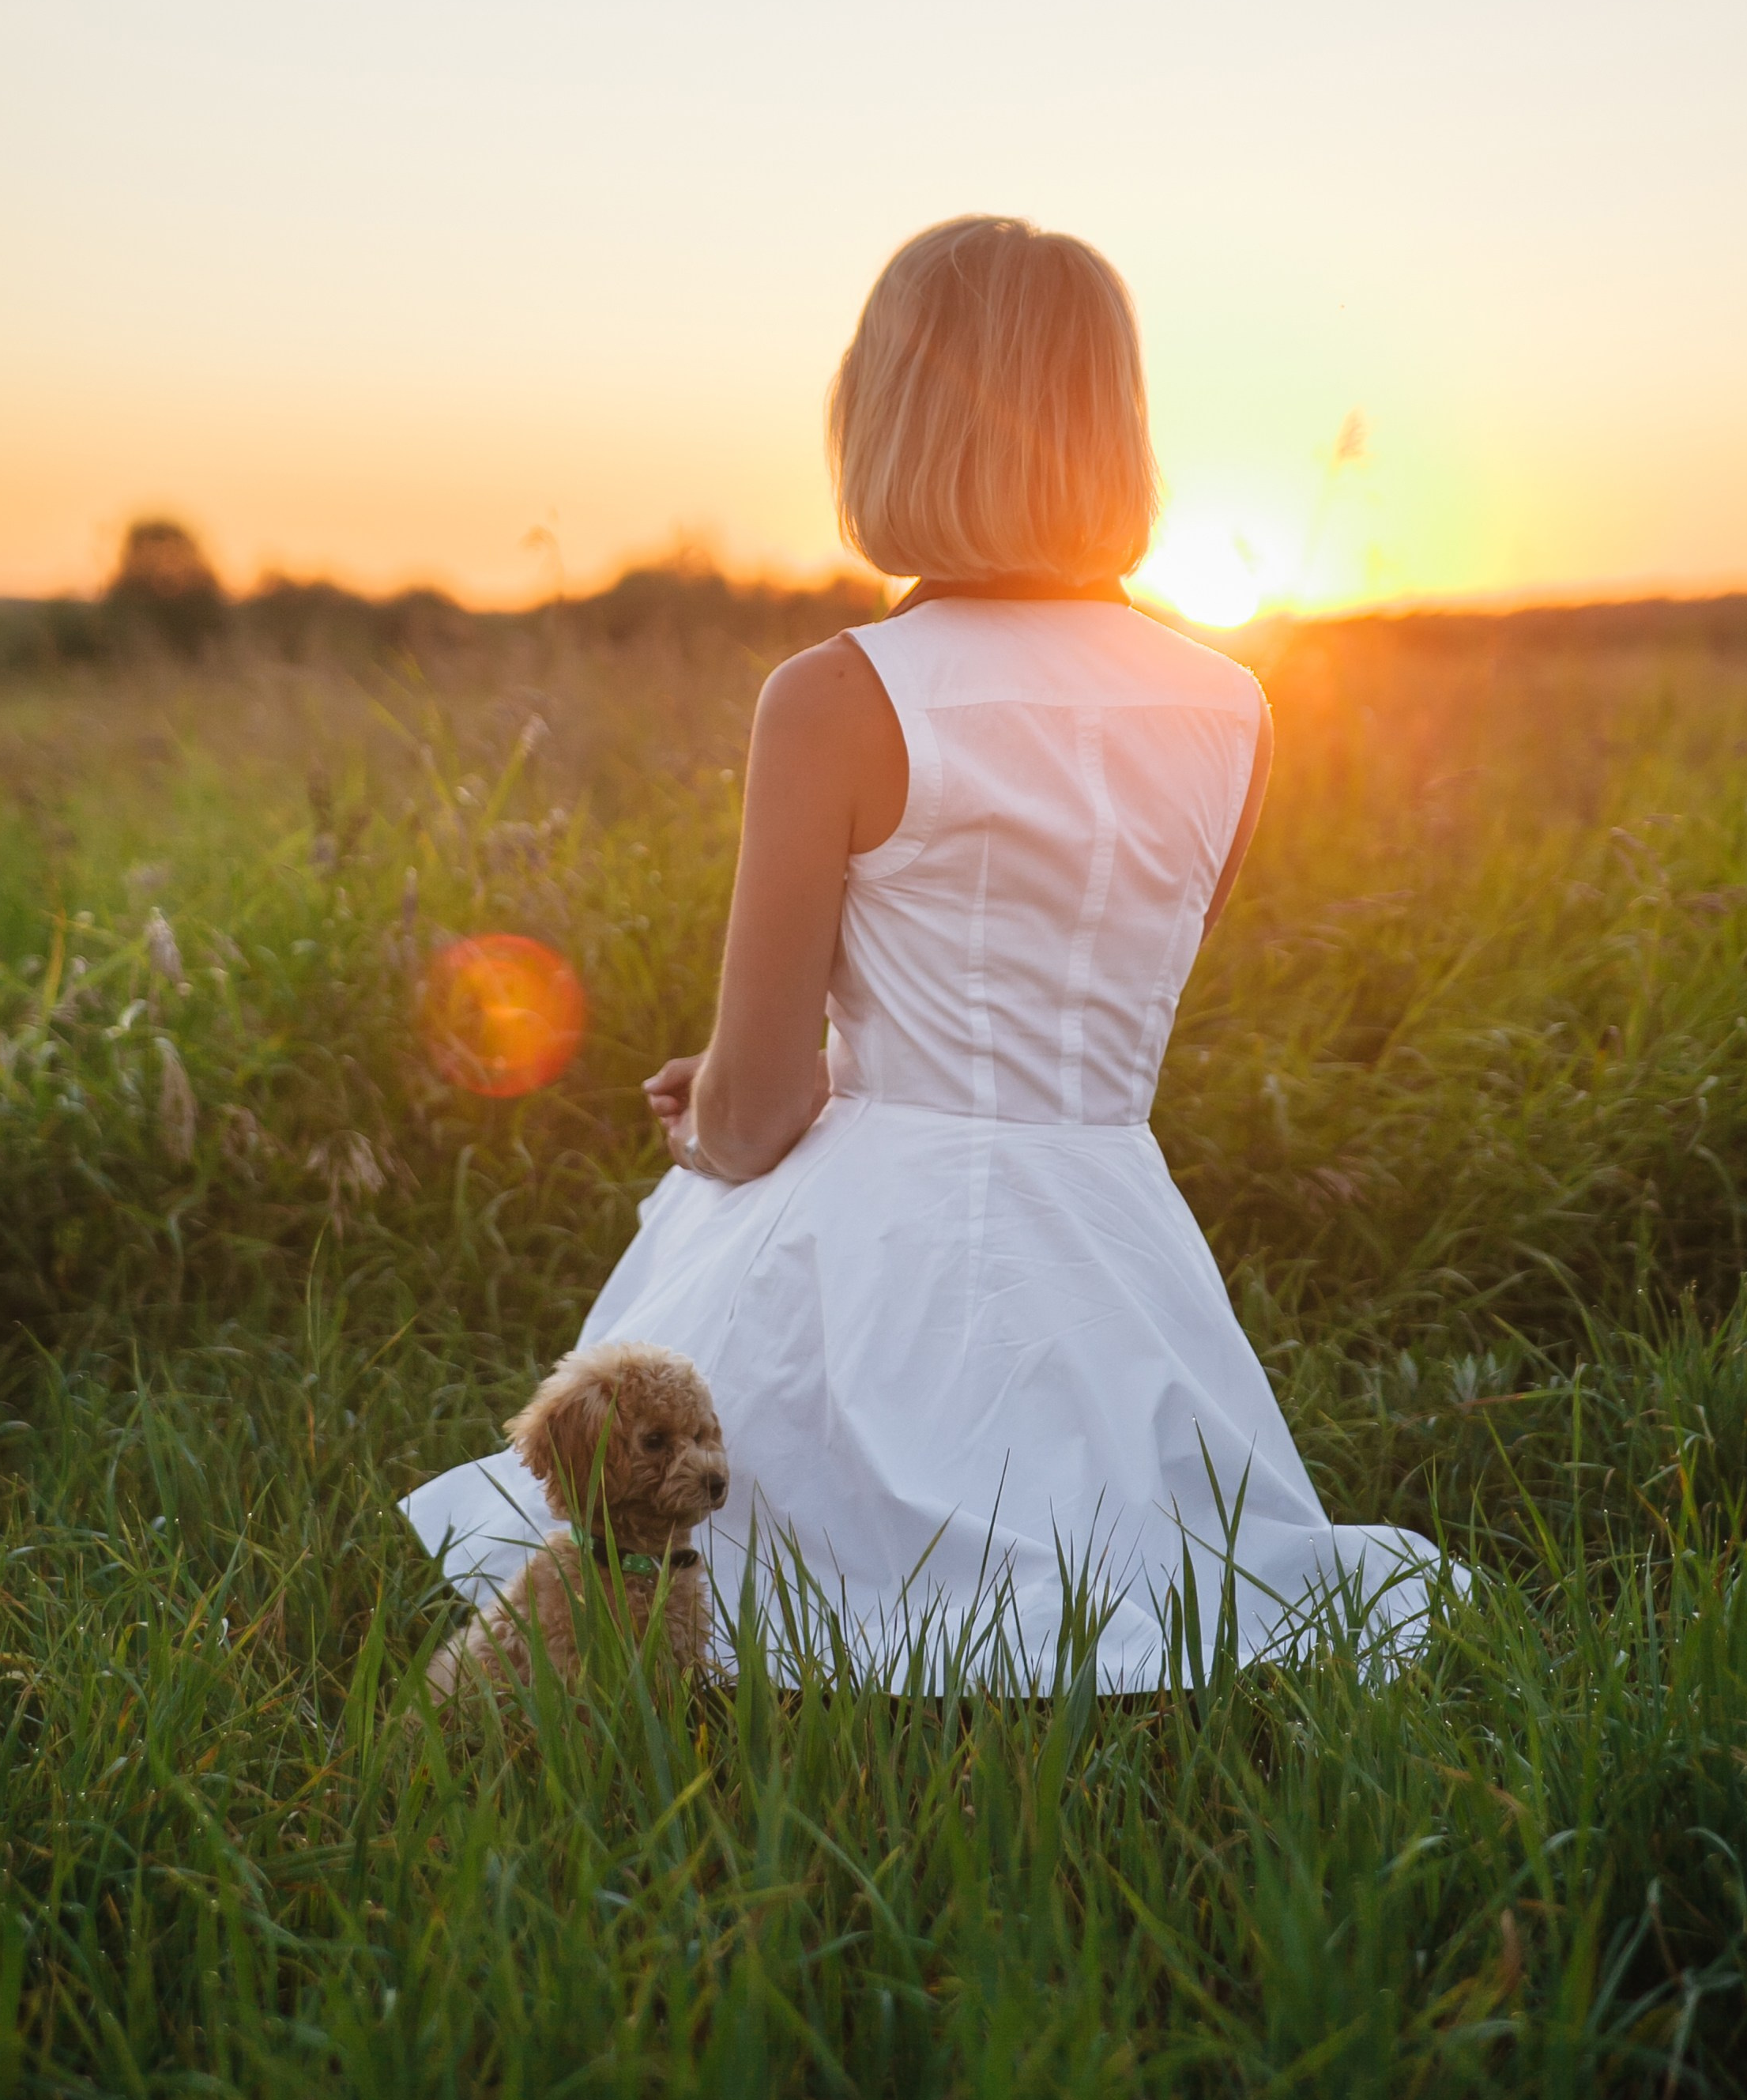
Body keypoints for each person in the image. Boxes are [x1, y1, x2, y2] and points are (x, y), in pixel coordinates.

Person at [404, 217, 1451, 1687]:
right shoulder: (1231, 707)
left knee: (711, 1504)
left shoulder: (836, 693)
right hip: (1111, 1231)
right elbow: (1049, 1018)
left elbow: (761, 1117)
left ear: (885, 414)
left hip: (883, 1260)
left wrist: (719, 1101)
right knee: (1155, 1575)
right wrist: (840, 1059)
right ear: (1114, 427)